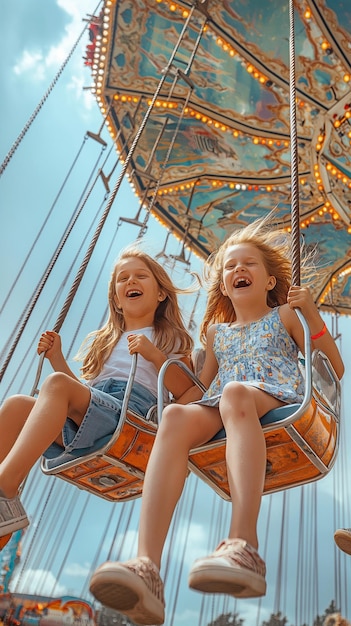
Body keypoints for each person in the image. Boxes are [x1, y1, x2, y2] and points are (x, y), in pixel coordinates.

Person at [89, 218, 344, 626]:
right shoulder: (216, 334)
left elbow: (335, 366)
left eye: (249, 265)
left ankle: (244, 542)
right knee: (174, 416)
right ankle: (147, 567)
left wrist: (312, 316)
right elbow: (194, 391)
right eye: (230, 266)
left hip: (275, 397)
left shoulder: (286, 316)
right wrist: (156, 387)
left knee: (235, 393)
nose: (238, 270)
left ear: (270, 281)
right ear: (224, 285)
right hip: (223, 404)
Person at [0, 246, 194, 539]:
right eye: (123, 278)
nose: (131, 281)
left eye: (141, 276)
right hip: (97, 408)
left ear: (161, 294)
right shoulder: (106, 340)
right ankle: (5, 500)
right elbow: (76, 394)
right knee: (16, 405)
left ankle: (7, 486)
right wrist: (57, 359)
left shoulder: (172, 339)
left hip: (131, 414)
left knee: (56, 386)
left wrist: (155, 355)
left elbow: (188, 391)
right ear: (116, 300)